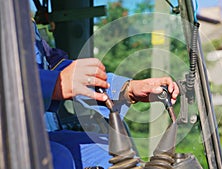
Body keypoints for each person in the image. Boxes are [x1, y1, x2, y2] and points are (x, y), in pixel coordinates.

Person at [32, 19, 179, 169]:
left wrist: (127, 89)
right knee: (57, 157)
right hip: (10, 139)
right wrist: (52, 84)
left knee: (109, 152)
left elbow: (56, 68)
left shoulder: (25, 25)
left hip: (37, 135)